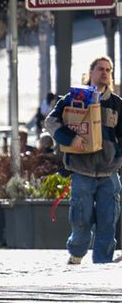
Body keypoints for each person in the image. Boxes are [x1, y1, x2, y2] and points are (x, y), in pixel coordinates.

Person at [44, 55, 122, 266]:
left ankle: (103, 265)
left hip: (109, 174)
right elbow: (50, 121)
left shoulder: (116, 103)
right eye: (100, 69)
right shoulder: (74, 98)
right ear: (91, 72)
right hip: (82, 172)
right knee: (80, 221)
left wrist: (118, 156)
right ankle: (76, 256)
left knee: (108, 222)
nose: (104, 73)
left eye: (108, 70)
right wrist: (70, 138)